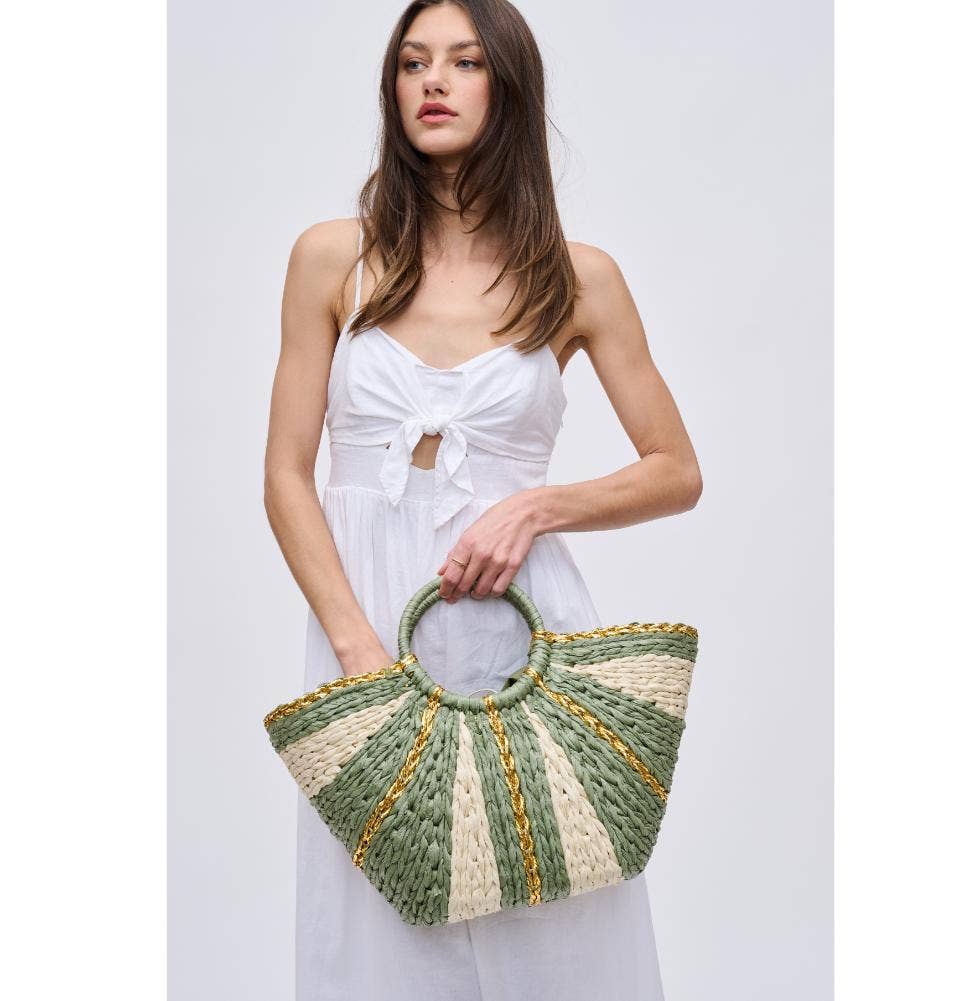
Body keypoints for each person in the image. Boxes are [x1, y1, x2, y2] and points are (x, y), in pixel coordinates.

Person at [263, 1, 702, 998]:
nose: (432, 80)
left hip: (520, 622)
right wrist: (356, 648)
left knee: (554, 907)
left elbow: (674, 467)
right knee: (382, 918)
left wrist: (535, 507)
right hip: (369, 624)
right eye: (412, 61)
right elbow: (286, 472)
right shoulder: (332, 258)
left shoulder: (577, 277)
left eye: (463, 62)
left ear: (508, 87)